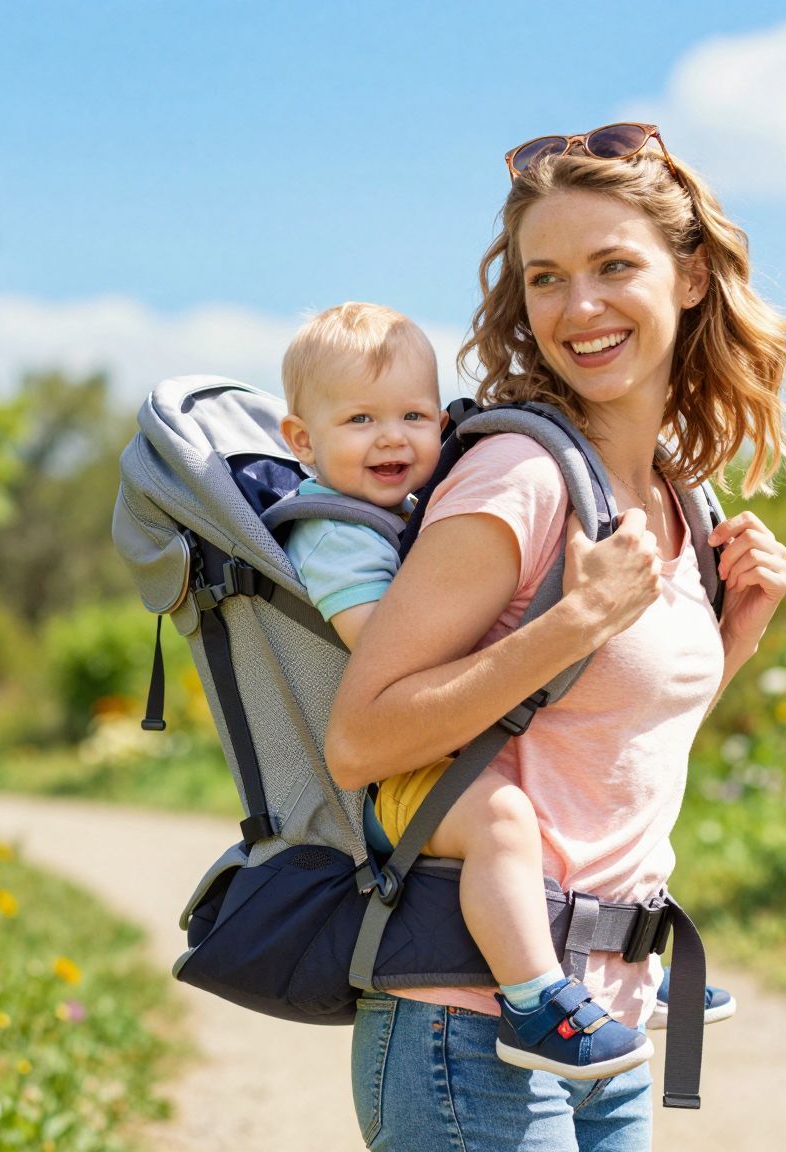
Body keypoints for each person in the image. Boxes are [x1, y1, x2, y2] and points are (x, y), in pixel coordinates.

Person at [324, 123, 786, 1151]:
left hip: (604, 1020)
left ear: (690, 277)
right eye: (546, 277)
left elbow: (606, 743)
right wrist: (574, 621)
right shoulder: (515, 478)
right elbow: (362, 740)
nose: (578, 308)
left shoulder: (676, 494)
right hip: (466, 1027)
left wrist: (738, 631)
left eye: (613, 267)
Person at [275, 301, 655, 1079]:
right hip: (397, 776)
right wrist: (545, 622)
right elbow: (384, 652)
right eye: (359, 420)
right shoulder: (336, 533)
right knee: (505, 820)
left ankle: (620, 968)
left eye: (415, 414)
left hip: (429, 763)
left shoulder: (408, 512)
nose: (394, 437)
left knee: (532, 812)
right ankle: (535, 1000)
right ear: (301, 441)